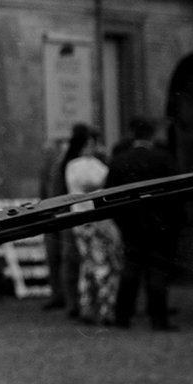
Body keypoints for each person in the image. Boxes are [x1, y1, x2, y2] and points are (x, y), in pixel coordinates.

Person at [106, 118, 179, 330]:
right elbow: (175, 194)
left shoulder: (120, 161)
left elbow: (110, 196)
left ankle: (123, 316)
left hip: (130, 224)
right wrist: (172, 221)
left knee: (130, 270)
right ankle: (158, 319)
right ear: (152, 136)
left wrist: (120, 221)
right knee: (157, 272)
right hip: (159, 225)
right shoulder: (163, 159)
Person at [62, 130, 117, 323]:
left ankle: (88, 304)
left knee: (88, 264)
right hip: (93, 219)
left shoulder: (73, 165)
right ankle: (103, 307)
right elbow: (95, 183)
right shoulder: (84, 165)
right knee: (101, 264)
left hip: (81, 219)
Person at [39, 124, 92, 313]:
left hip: (62, 212)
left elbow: (51, 188)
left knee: (66, 259)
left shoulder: (63, 161)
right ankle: (72, 300)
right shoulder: (68, 161)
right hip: (68, 213)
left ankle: (69, 300)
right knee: (69, 259)